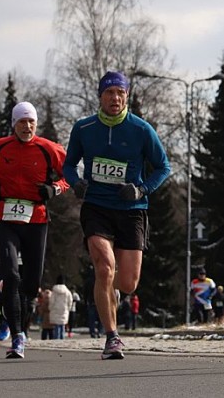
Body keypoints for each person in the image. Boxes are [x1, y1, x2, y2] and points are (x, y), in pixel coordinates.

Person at [62, 70, 172, 359]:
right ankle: (112, 337)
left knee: (128, 283)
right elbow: (68, 165)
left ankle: (113, 290)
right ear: (100, 96)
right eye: (109, 92)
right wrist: (76, 183)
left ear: (127, 96)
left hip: (131, 210)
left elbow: (163, 167)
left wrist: (141, 190)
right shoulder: (84, 128)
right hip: (96, 207)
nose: (115, 98)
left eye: (120, 93)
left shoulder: (141, 129)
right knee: (104, 267)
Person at [0, 101, 69, 359]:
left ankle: (20, 326)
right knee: (11, 274)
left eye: (31, 122)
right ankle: (17, 336)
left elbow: (69, 175)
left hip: (36, 218)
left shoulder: (49, 148)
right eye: (21, 122)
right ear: (13, 124)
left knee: (31, 283)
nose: (27, 126)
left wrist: (54, 189)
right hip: (5, 216)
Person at [50, 275, 75, 339]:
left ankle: (56, 338)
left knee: (57, 325)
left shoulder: (54, 291)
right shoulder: (67, 291)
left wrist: (50, 308)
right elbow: (70, 301)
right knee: (62, 325)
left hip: (55, 310)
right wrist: (68, 308)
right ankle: (62, 338)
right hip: (64, 309)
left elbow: (51, 301)